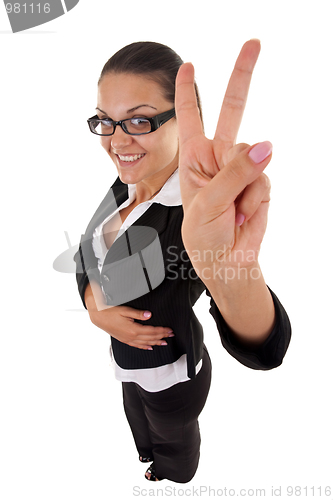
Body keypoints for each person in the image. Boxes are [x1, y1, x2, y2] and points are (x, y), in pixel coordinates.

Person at [74, 39, 291, 483]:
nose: (116, 141)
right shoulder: (125, 185)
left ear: (183, 120)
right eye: (105, 121)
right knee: (135, 409)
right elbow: (84, 250)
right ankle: (145, 452)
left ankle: (174, 473)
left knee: (172, 431)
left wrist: (232, 272)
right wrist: (94, 305)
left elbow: (267, 348)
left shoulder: (196, 215)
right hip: (125, 355)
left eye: (138, 120)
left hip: (173, 369)